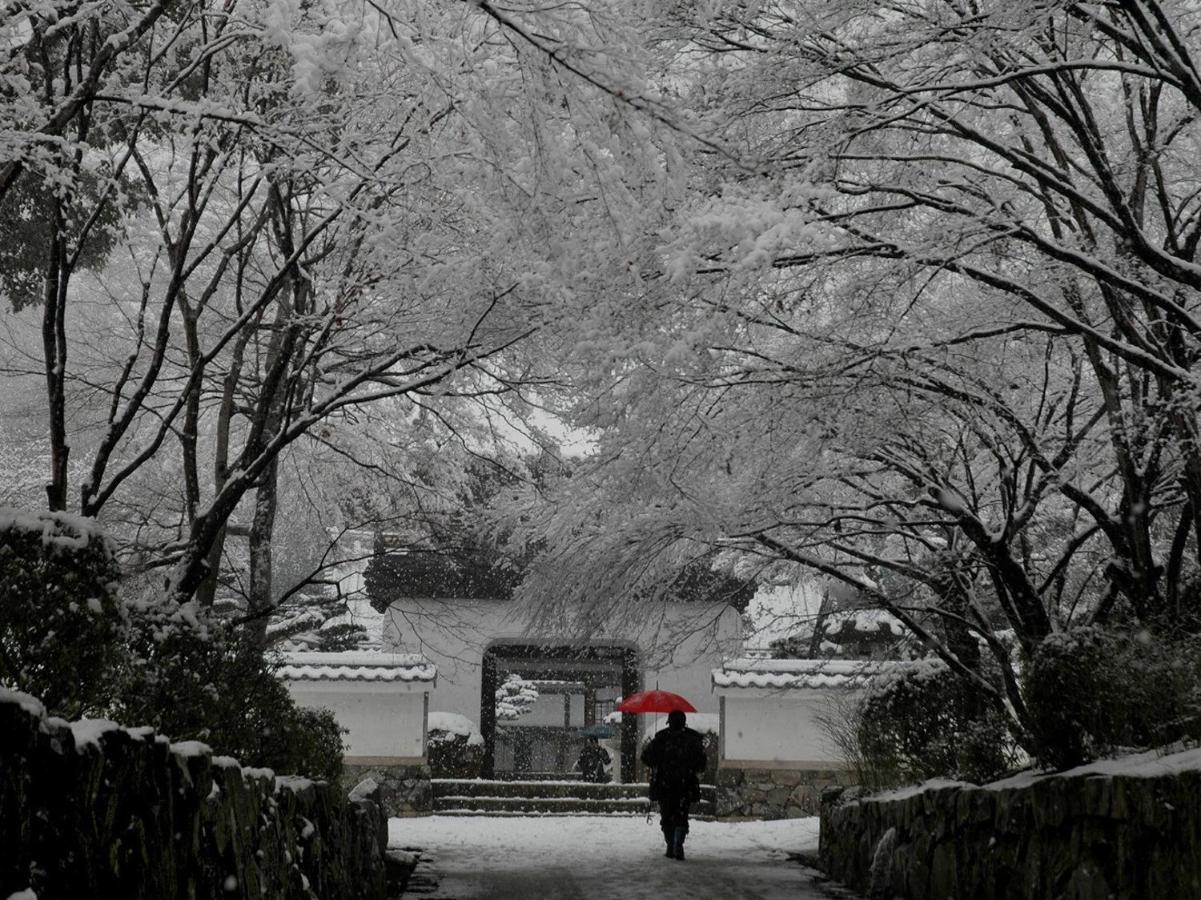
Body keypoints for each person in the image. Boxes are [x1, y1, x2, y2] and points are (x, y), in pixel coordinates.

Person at [640, 709, 706, 860]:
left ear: (669, 722)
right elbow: (701, 764)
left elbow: (646, 758)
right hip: (686, 785)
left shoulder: (661, 738)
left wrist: (656, 758)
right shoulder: (693, 739)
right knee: (681, 815)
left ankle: (670, 844)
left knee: (667, 815)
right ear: (684, 722)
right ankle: (679, 842)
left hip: (665, 784)